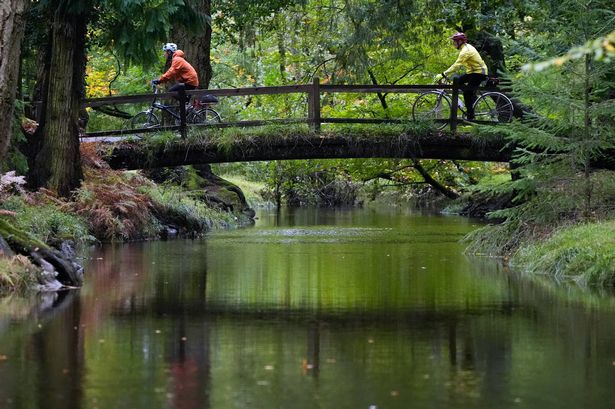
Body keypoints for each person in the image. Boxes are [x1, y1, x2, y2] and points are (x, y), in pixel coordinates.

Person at [434, 32, 488, 120]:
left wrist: (444, 74)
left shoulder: (465, 51)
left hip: (479, 73)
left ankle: (471, 116)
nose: (453, 44)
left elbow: (456, 65)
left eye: (454, 41)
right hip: (472, 72)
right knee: (458, 82)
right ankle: (472, 97)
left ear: (460, 41)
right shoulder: (465, 48)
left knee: (467, 93)